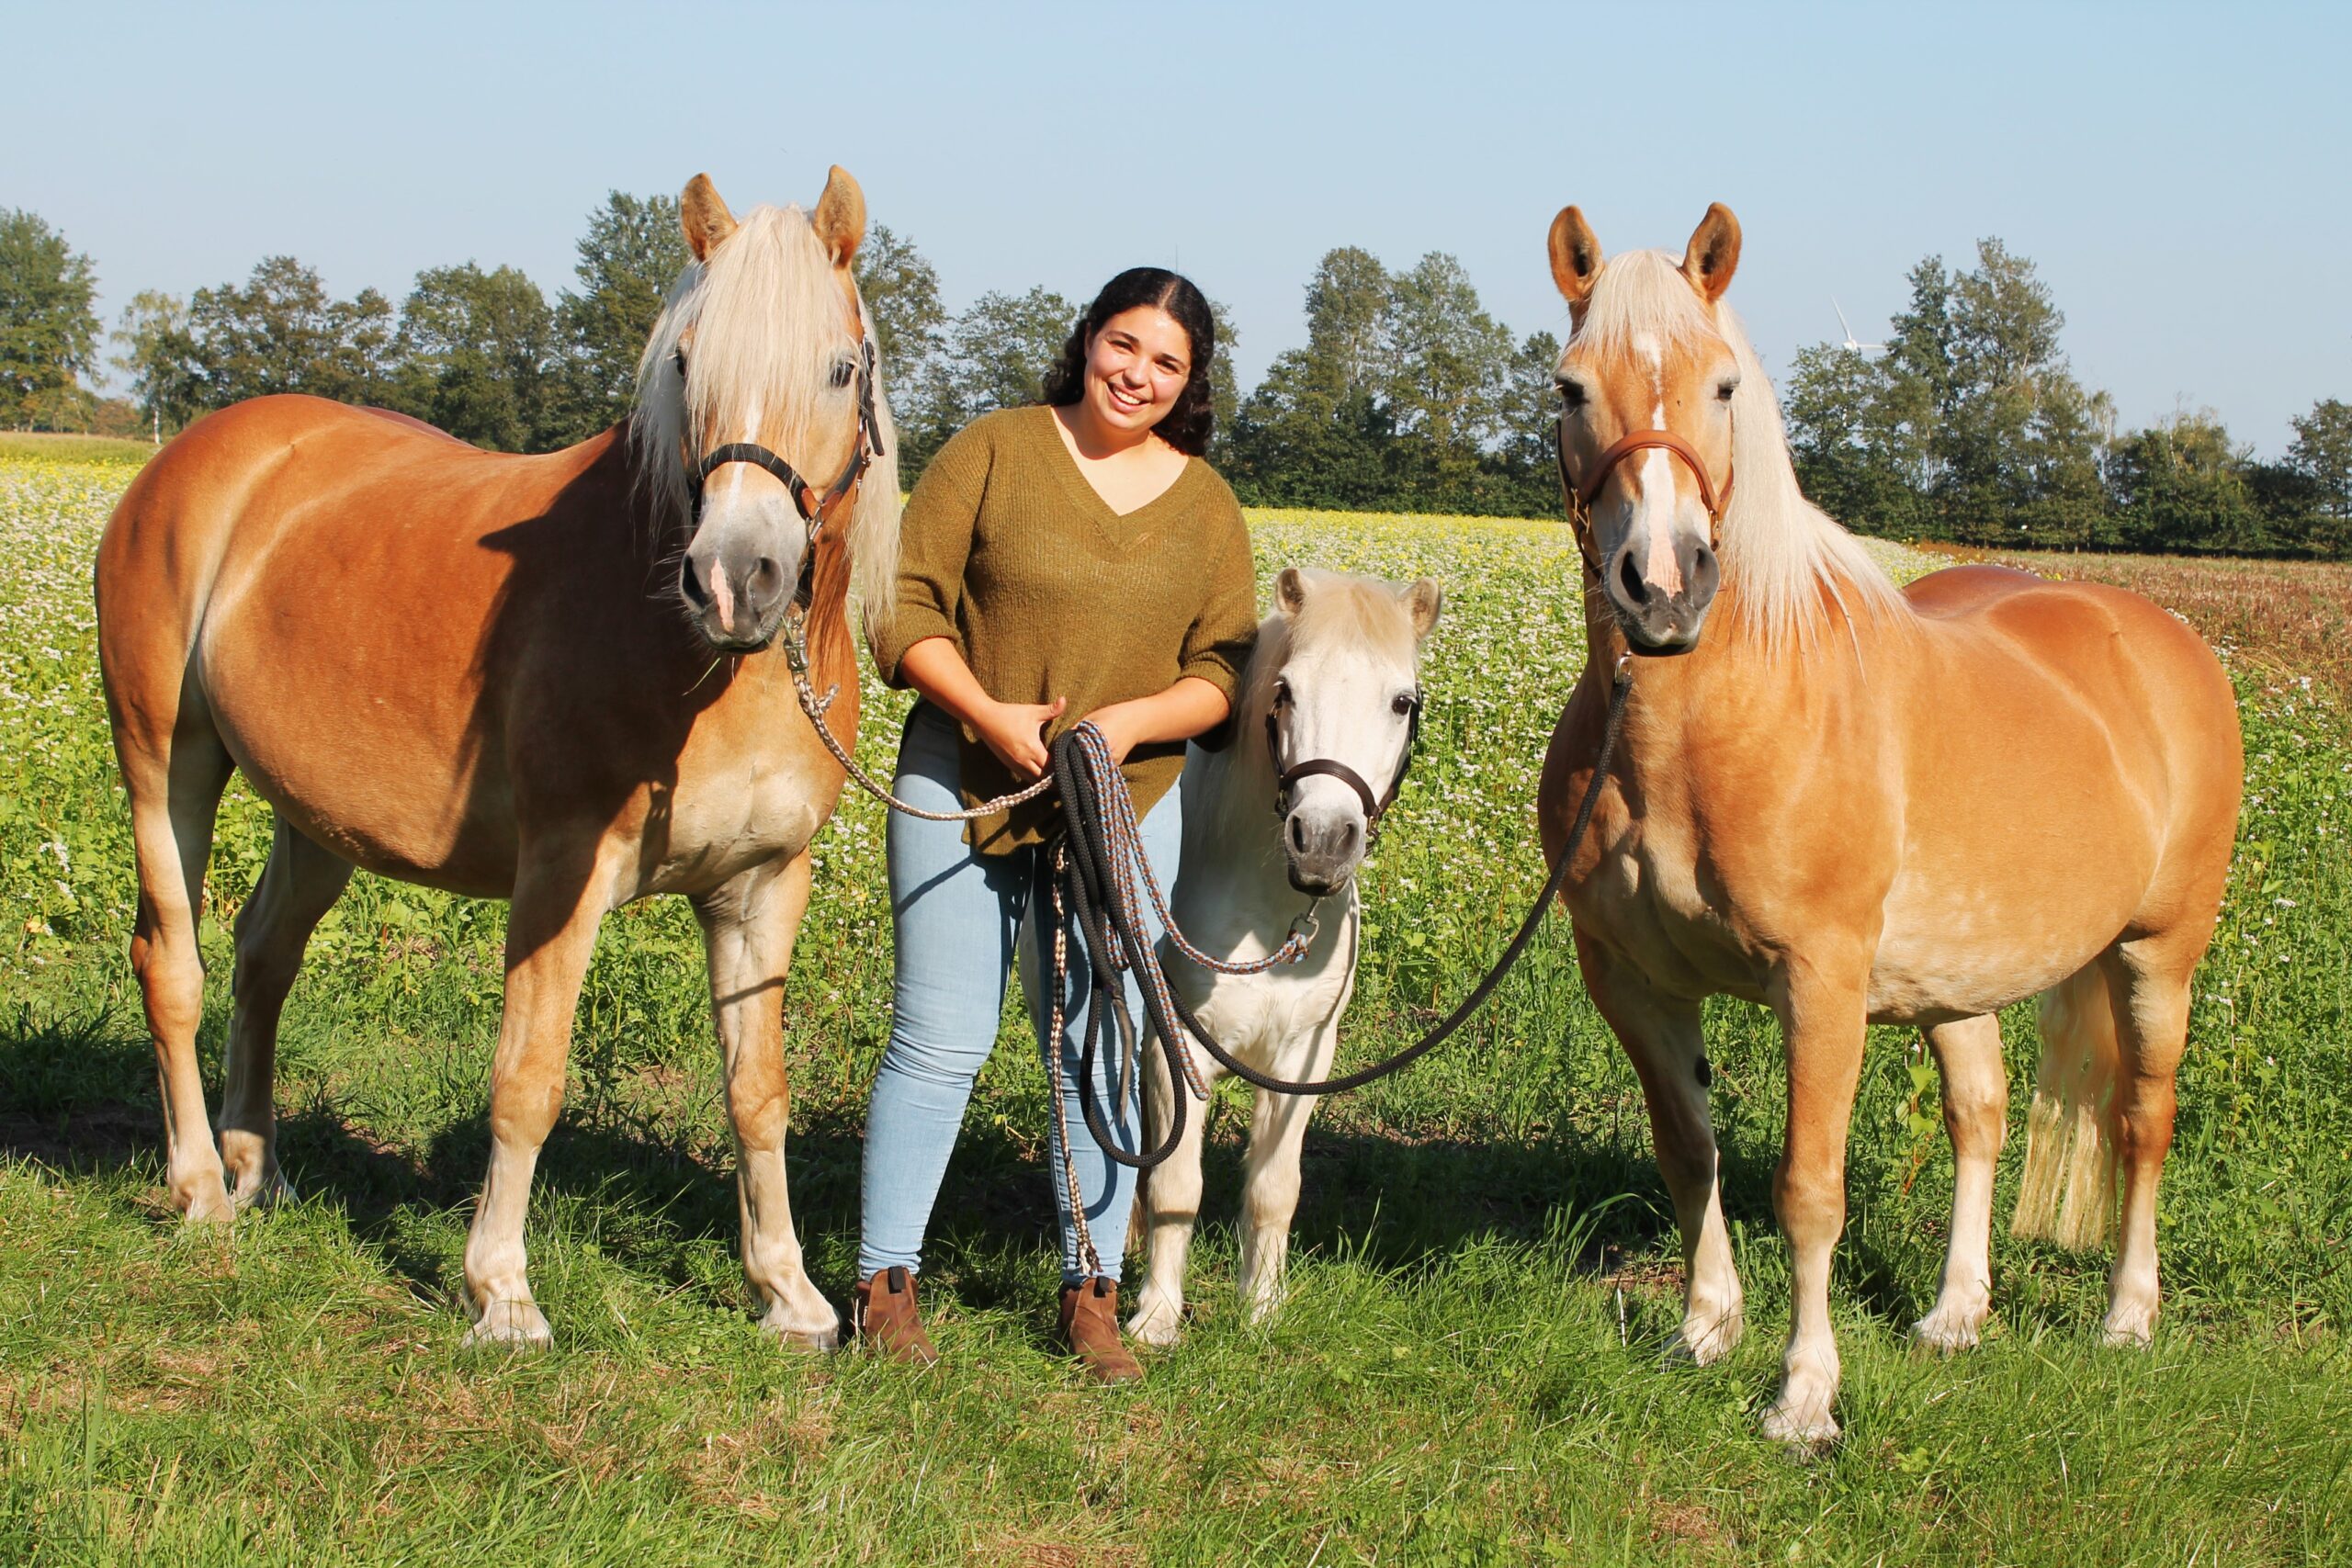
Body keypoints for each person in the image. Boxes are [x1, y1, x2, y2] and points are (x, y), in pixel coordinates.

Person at [856, 268, 1256, 1382]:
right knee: (939, 1039)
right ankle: (885, 1286)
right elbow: (904, 601)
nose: (1138, 374)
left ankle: (1092, 1293)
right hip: (963, 779)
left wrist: (1130, 724)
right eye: (1123, 345)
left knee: (1102, 1047)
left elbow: (1223, 666)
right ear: (1087, 341)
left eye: (1166, 362)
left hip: (1127, 804)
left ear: (1190, 383)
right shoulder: (993, 449)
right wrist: (986, 712)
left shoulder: (1206, 504)